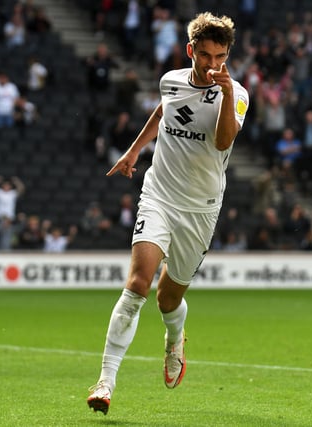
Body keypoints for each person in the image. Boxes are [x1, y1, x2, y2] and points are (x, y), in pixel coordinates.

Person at [87, 12, 249, 414]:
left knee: (167, 297)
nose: (214, 64)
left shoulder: (238, 93)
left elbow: (223, 140)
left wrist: (226, 94)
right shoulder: (171, 80)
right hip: (158, 194)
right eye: (207, 55)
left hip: (201, 208)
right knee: (139, 283)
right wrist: (135, 148)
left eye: (222, 56)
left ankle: (174, 340)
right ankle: (105, 382)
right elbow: (164, 110)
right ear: (191, 50)